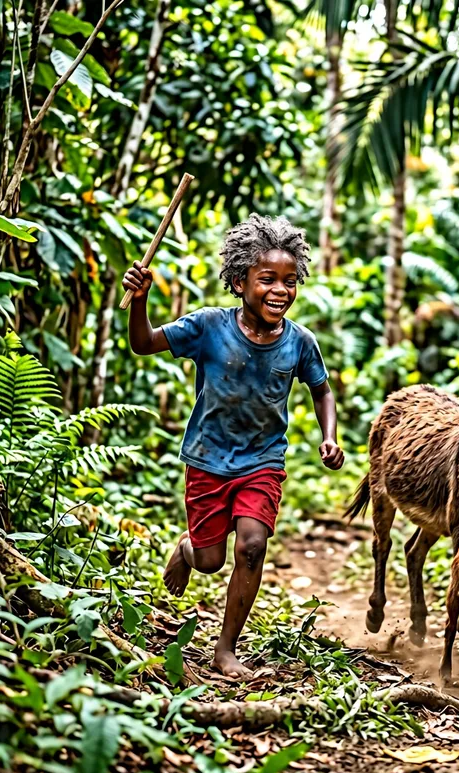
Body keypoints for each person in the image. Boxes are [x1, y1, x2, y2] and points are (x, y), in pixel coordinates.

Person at [122, 214, 344, 678]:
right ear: (240, 281)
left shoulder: (300, 342)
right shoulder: (207, 326)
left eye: (289, 281)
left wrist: (329, 436)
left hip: (262, 461)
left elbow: (322, 390)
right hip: (207, 460)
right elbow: (142, 344)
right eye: (267, 280)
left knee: (252, 546)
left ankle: (226, 650)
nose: (280, 290)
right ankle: (187, 550)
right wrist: (138, 301)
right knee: (209, 560)